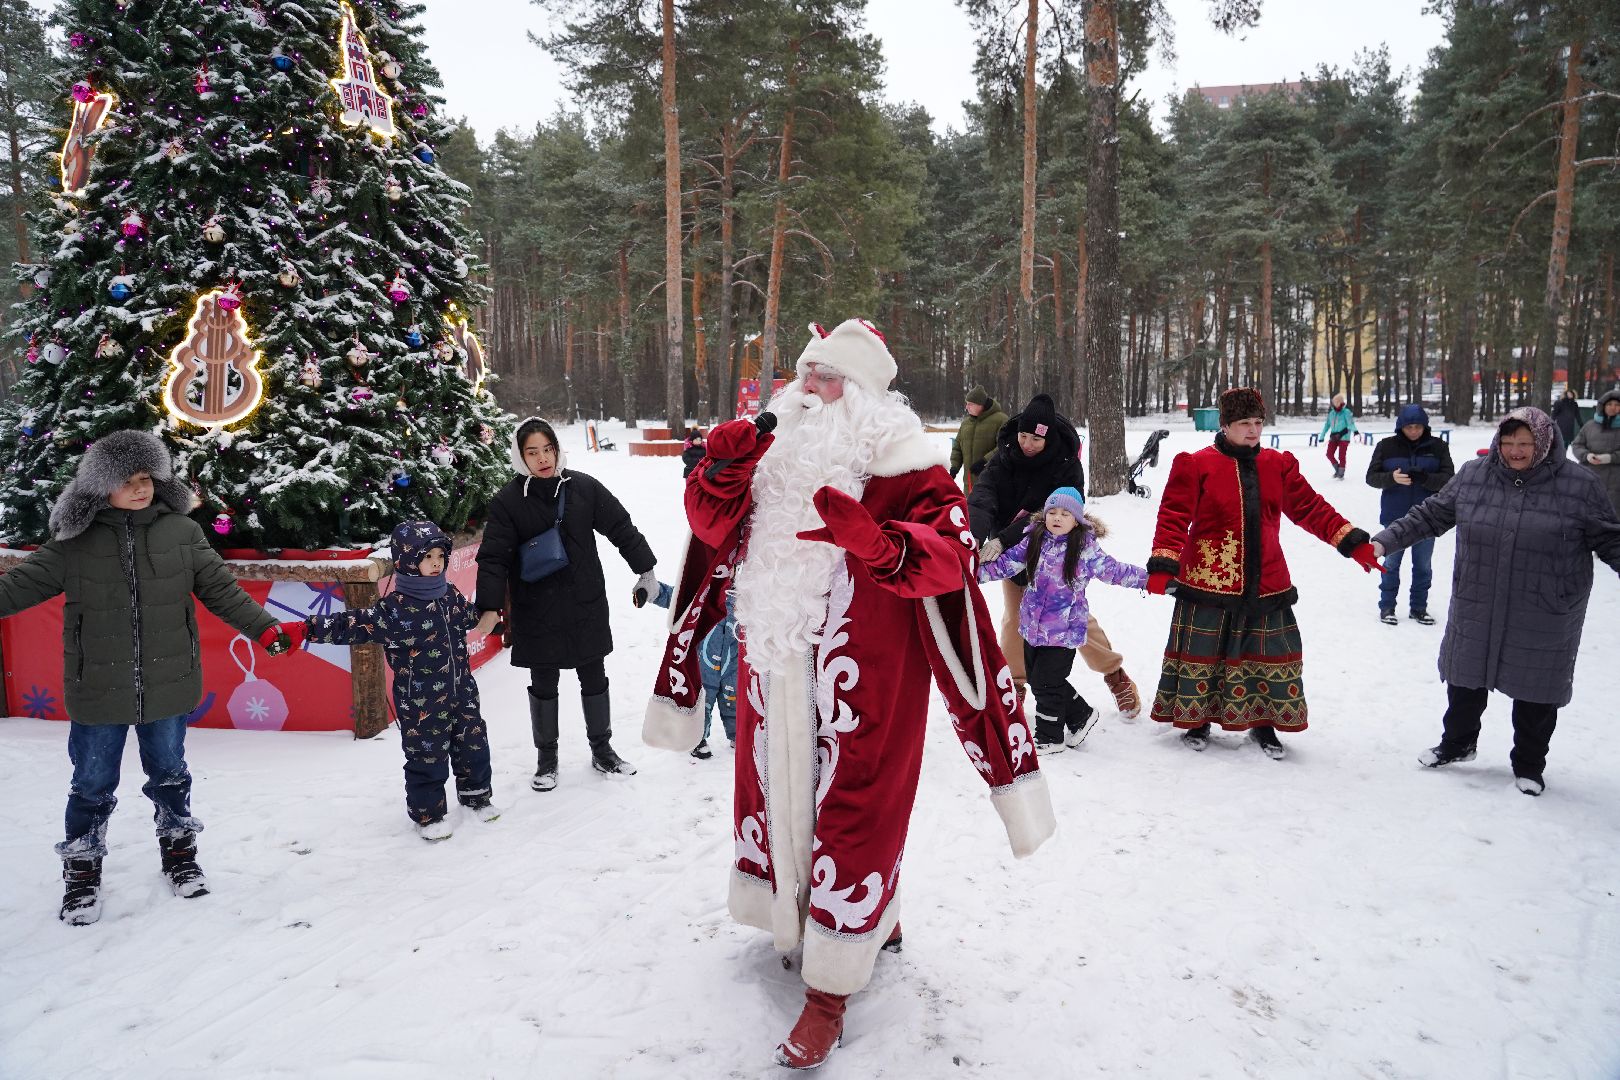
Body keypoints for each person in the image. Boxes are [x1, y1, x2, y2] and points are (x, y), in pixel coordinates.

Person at [641, 318, 1055, 1070]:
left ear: (865, 391)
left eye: (830, 377)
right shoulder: (770, 449)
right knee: (777, 801)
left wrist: (883, 545)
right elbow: (709, 527)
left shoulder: (905, 463)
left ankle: (830, 991)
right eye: (806, 374)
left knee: (857, 813)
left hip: (869, 683)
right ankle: (857, 922)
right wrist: (720, 474)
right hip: (774, 671)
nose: (812, 389)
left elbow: (953, 554)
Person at [0, 431, 293, 925]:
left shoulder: (181, 531)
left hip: (169, 680)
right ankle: (82, 870)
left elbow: (221, 590)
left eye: (147, 479)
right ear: (100, 486)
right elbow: (17, 588)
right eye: (126, 481)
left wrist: (265, 629)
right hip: (98, 685)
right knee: (91, 782)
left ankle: (179, 853)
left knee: (170, 773)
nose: (140, 489)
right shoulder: (74, 543)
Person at [1373, 407, 1620, 796]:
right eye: (1508, 442)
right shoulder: (1474, 476)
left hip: (1544, 606)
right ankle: (1457, 744)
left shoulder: (1579, 484)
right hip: (1479, 598)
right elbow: (1432, 515)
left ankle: (1529, 765)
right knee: (1465, 679)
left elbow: (1610, 537)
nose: (1515, 451)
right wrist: (1385, 540)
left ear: (1546, 441)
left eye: (1525, 443)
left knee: (1536, 691)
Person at [1147, 388, 1380, 759]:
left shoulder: (1278, 465)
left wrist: (1351, 543)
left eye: (1258, 423)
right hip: (1209, 576)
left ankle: (1264, 724)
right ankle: (1197, 719)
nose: (1253, 431)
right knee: (1207, 653)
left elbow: (1311, 508)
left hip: (1268, 579)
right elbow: (1173, 516)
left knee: (1266, 654)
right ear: (1225, 425)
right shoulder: (1196, 464)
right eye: (1244, 424)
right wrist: (1164, 563)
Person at [280, 521, 496, 841]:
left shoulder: (447, 593)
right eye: (427, 557)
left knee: (473, 743)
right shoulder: (395, 610)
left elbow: (468, 616)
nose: (436, 562)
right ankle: (429, 815)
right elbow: (351, 624)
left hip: (461, 689)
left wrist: (487, 617)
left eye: (440, 555)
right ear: (408, 562)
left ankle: (477, 796)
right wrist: (306, 629)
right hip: (420, 700)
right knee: (427, 756)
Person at [476, 417, 656, 791]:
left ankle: (603, 750)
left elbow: (620, 526)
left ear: (557, 449)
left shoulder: (583, 489)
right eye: (532, 452)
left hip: (584, 601)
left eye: (548, 449)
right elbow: (493, 557)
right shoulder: (509, 501)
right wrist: (490, 606)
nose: (542, 458)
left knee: (593, 677)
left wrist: (645, 570)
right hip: (534, 607)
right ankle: (547, 760)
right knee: (543, 683)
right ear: (519, 456)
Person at [968, 392, 1143, 719]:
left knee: (1075, 621)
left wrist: (1003, 538)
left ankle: (1115, 674)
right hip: (1013, 552)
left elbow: (1047, 518)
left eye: (1036, 438)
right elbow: (982, 495)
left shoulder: (1066, 466)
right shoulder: (1005, 455)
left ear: (1047, 437)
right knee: (1015, 617)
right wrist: (978, 535)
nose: (1027, 444)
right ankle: (1015, 684)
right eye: (1023, 435)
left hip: (1057, 556)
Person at [977, 486, 1147, 754]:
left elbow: (1115, 571)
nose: (1057, 517)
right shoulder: (1034, 540)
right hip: (1032, 628)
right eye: (1052, 512)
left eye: (1065, 513)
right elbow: (1006, 564)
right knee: (1037, 678)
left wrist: (1151, 579)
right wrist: (971, 574)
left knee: (1047, 682)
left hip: (1064, 630)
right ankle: (1080, 715)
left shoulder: (1084, 548)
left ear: (1077, 519)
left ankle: (1049, 737)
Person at [1364, 403, 1455, 625]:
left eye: (1418, 427)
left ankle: (1419, 607)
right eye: (1409, 427)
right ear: (1400, 427)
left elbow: (1450, 480)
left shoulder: (1438, 447)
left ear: (1425, 426)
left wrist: (1426, 479)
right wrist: (1391, 478)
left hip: (1429, 517)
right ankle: (1387, 606)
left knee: (1423, 566)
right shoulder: (1386, 446)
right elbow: (1371, 477)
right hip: (1395, 516)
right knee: (1391, 564)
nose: (1413, 431)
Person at [644, 579, 738, 758]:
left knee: (735, 700)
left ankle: (739, 735)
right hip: (705, 663)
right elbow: (678, 598)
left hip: (733, 664)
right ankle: (698, 739)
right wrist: (654, 591)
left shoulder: (749, 598)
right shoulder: (706, 593)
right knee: (703, 700)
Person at [948, 385, 1007, 494]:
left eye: (970, 404)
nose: (966, 407)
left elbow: (1004, 446)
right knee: (969, 509)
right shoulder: (966, 423)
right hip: (968, 484)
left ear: (980, 405)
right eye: (967, 404)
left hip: (991, 482)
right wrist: (954, 468)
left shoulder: (1001, 420)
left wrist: (984, 461)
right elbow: (957, 447)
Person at [1570, 389, 1620, 516]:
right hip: (1589, 475)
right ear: (1602, 406)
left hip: (1615, 480)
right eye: (1609, 404)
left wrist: (1610, 458)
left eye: (1617, 405)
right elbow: (1577, 444)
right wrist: (1586, 455)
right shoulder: (1590, 426)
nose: (1612, 408)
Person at [1319, 391, 1358, 479]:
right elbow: (1326, 425)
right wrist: (1322, 436)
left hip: (1344, 437)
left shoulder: (1346, 412)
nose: (1335, 404)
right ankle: (1337, 470)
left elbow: (1350, 423)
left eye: (1336, 402)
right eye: (1334, 402)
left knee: (1341, 455)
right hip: (1334, 437)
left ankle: (1341, 473)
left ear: (1341, 402)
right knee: (1329, 454)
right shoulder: (1331, 413)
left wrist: (1355, 431)